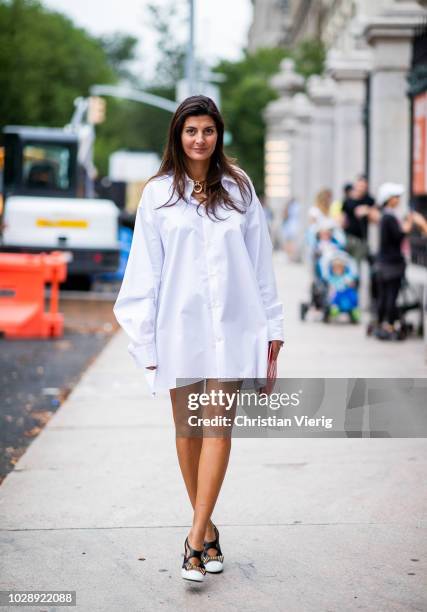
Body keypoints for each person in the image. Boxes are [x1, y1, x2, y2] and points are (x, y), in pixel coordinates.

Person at [113, 95, 284, 582]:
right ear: (178, 135)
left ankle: (191, 541)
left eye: (208, 130)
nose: (200, 139)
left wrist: (273, 329)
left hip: (233, 326)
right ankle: (208, 530)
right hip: (179, 328)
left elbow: (261, 263)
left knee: (217, 430)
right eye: (191, 131)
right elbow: (144, 271)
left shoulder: (239, 188)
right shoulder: (158, 194)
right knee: (188, 432)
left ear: (218, 134)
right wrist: (144, 341)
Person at [374, 182, 427, 340]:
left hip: (386, 262)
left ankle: (382, 323)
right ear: (388, 199)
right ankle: (388, 324)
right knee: (391, 295)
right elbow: (398, 236)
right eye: (396, 197)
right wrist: (411, 223)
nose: (398, 200)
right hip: (392, 263)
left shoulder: (386, 216)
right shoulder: (389, 217)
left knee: (385, 295)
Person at [342, 174, 378, 264]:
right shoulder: (348, 200)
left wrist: (367, 211)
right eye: (360, 185)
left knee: (355, 264)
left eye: (364, 186)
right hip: (348, 238)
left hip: (361, 239)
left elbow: (376, 218)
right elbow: (343, 218)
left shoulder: (369, 200)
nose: (361, 188)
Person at [280, 196, 301, 261]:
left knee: (289, 242)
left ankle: (289, 256)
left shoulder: (290, 206)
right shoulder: (297, 206)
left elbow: (284, 215)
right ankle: (291, 256)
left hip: (289, 226)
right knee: (291, 242)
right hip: (293, 225)